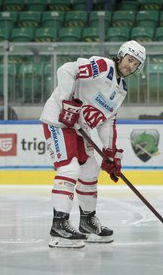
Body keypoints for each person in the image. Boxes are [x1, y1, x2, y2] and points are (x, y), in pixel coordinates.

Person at [40, 41, 146, 248]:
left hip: (80, 128)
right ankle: (59, 225)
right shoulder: (103, 66)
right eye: (130, 59)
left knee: (90, 171)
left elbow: (107, 121)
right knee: (69, 169)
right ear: (121, 55)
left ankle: (87, 221)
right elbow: (66, 70)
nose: (131, 66)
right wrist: (65, 102)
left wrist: (110, 153)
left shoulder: (121, 89)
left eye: (136, 64)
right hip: (58, 121)